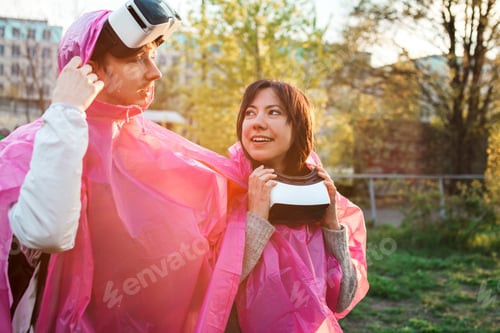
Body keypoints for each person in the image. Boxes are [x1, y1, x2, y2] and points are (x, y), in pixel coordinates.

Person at [0, 1, 247, 331]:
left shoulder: (142, 145)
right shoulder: (29, 148)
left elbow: (216, 223)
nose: (154, 71)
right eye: (136, 59)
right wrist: (67, 111)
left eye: (153, 56)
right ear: (89, 69)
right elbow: (48, 231)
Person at [227, 79, 369, 332]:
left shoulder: (315, 193)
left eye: (274, 112)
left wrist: (331, 225)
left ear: (299, 126)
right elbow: (216, 291)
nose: (257, 122)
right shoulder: (224, 188)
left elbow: (342, 298)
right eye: (250, 112)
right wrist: (256, 218)